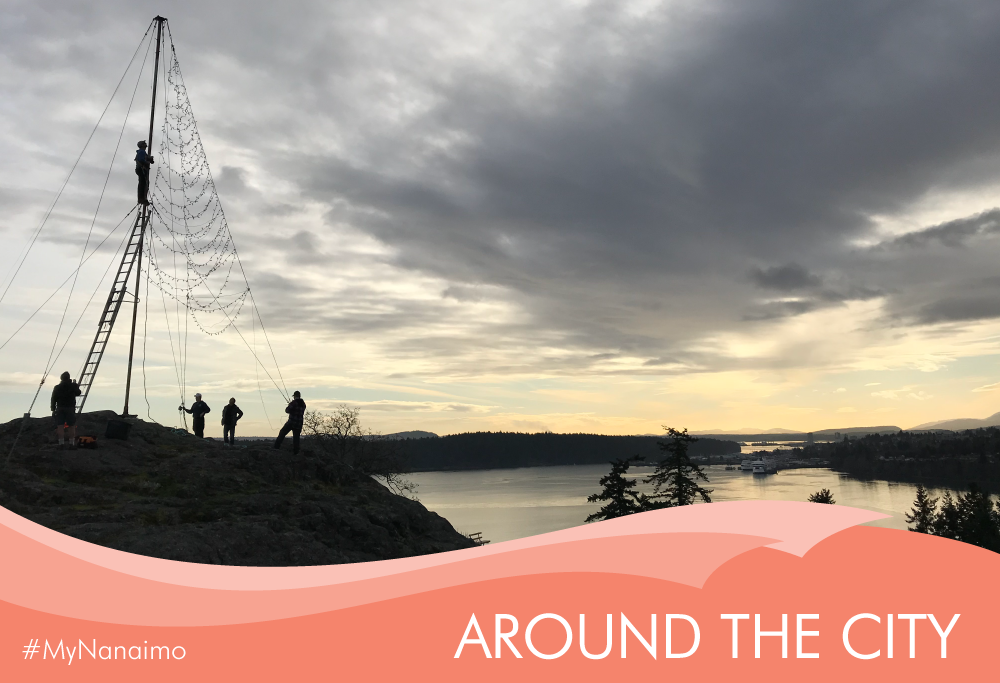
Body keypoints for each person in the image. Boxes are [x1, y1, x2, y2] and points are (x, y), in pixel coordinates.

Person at [51, 371, 82, 449]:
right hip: (70, 408)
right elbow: (78, 393)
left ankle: (61, 443)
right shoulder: (72, 386)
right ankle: (71, 444)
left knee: (60, 426)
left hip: (60, 408)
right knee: (71, 426)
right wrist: (76, 386)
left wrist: (53, 408)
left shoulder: (57, 387)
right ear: (69, 378)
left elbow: (53, 398)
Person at [135, 140, 154, 205]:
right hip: (141, 169)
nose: (146, 144)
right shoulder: (141, 152)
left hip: (142, 169)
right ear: (142, 145)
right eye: (144, 143)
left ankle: (143, 198)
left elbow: (145, 158)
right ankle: (142, 198)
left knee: (145, 183)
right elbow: (141, 160)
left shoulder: (143, 152)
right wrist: (147, 162)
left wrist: (150, 159)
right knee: (143, 183)